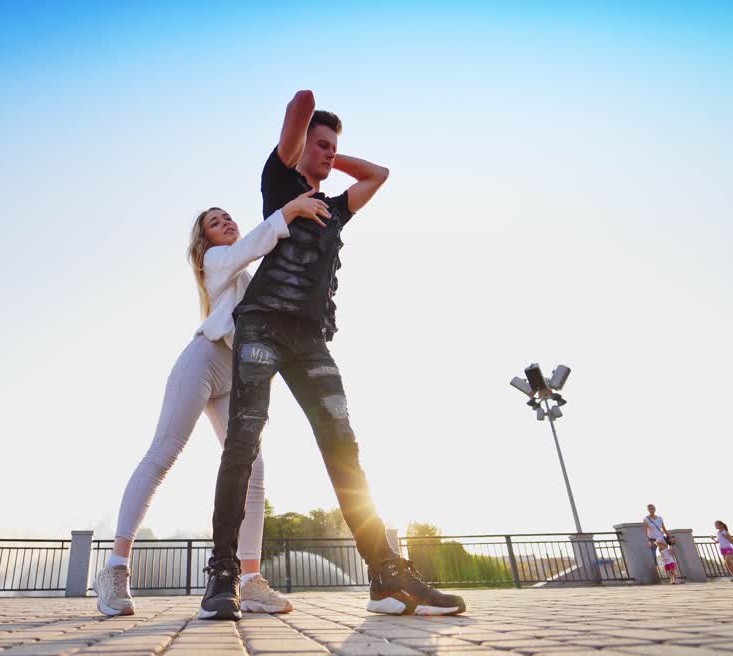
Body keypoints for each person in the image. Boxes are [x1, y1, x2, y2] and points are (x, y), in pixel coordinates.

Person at [198, 90, 467, 620]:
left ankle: (386, 578)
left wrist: (330, 158)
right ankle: (223, 575)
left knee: (344, 446)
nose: (326, 153)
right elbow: (303, 101)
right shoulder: (279, 183)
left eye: (333, 147)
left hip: (310, 338)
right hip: (261, 326)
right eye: (320, 144)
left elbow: (378, 175)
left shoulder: (335, 208)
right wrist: (303, 151)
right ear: (297, 147)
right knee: (244, 440)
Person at [93, 193, 332, 616]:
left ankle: (249, 578)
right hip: (203, 361)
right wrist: (290, 209)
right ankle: (114, 568)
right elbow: (252, 245)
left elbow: (268, 258)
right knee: (164, 452)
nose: (226, 223)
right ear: (205, 241)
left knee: (254, 470)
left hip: (237, 374)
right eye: (215, 222)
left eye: (228, 217)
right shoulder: (219, 260)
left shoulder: (245, 272)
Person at [644, 504, 683, 583]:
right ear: (648, 510)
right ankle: (657, 579)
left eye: (653, 508)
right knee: (654, 558)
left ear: (655, 509)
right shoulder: (646, 519)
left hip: (662, 540)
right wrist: (648, 540)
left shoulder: (659, 518)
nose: (652, 509)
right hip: (653, 540)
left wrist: (670, 537)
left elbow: (664, 529)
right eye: (650, 508)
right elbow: (645, 531)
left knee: (668, 559)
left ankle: (674, 578)